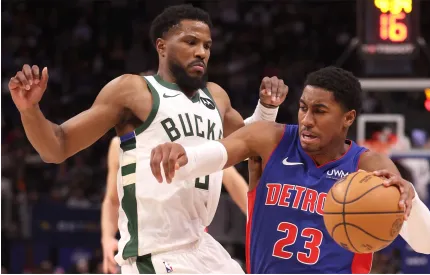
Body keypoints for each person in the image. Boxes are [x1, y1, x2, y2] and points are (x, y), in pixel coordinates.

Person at [8, 4, 289, 273]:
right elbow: (57, 147)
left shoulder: (216, 97)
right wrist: (29, 110)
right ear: (162, 46)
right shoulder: (133, 91)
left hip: (203, 245)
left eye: (207, 46)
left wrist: (267, 108)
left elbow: (252, 147)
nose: (201, 52)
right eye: (191, 42)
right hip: (156, 254)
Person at [148, 66, 430, 273]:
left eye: (320, 111)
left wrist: (409, 200)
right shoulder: (270, 139)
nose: (306, 120)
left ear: (348, 118)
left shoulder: (368, 166)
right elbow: (219, 153)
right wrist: (185, 154)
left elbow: (425, 244)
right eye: (302, 108)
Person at [101, 137, 249, 273]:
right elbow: (112, 200)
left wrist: (260, 222)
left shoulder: (199, 134)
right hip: (150, 251)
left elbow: (233, 181)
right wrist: (107, 238)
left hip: (195, 244)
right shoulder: (122, 143)